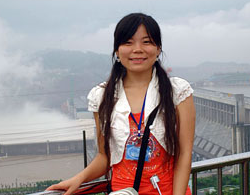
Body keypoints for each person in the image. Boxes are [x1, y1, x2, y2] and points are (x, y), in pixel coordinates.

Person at [47, 13, 195, 195]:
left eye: (146, 42)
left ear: (158, 49)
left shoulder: (178, 91)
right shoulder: (101, 97)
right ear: (117, 51)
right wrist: (78, 179)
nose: (137, 49)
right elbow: (104, 157)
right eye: (128, 42)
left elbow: (184, 154)